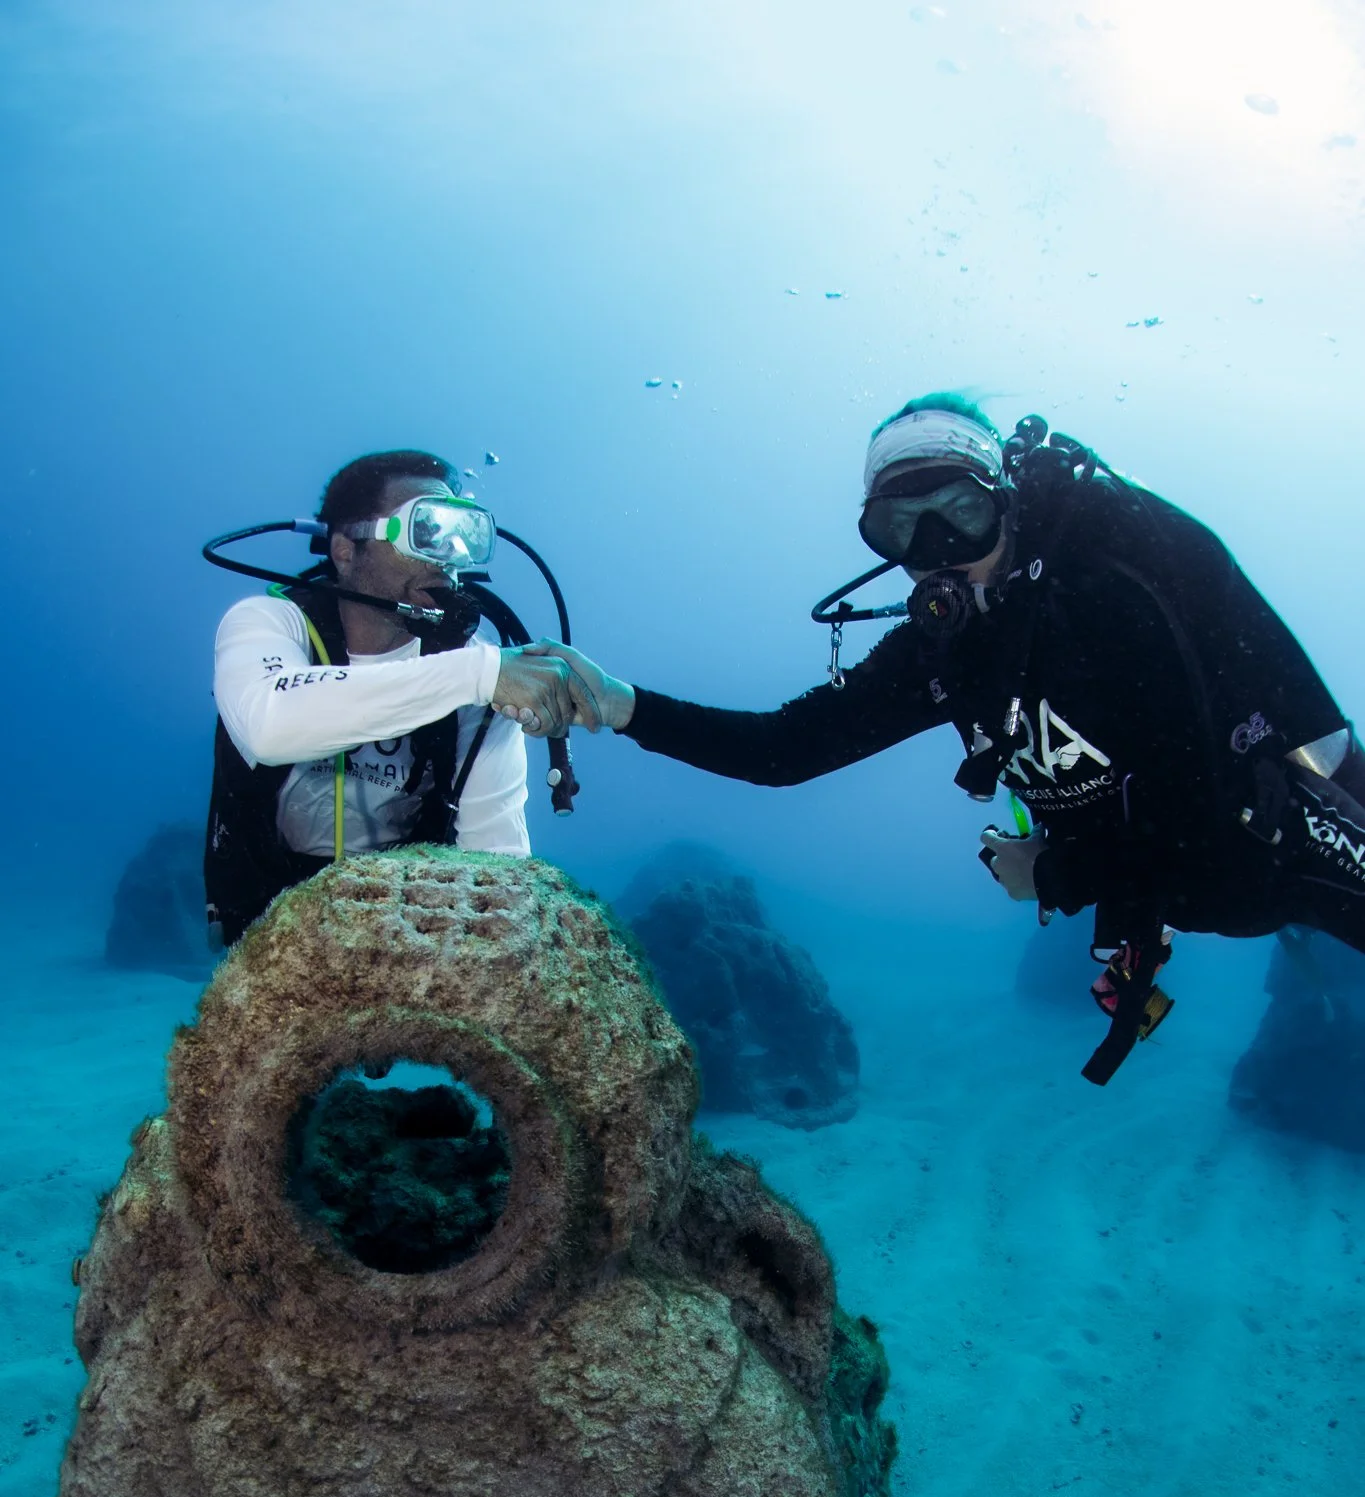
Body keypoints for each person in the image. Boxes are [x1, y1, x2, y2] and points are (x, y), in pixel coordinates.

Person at [536, 394, 1365, 1081]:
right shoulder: (948, 651)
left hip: (1274, 851)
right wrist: (621, 706)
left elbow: (1204, 824)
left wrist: (1054, 870)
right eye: (901, 529)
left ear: (1004, 502)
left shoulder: (1107, 604)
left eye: (959, 516)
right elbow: (786, 751)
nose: (936, 552)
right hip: (1174, 890)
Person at [205, 449, 581, 945]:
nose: (448, 557)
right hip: (265, 900)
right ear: (345, 548)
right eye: (425, 531)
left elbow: (496, 857)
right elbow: (269, 725)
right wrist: (480, 672)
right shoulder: (268, 622)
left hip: (408, 915)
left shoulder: (480, 672)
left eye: (462, 537)